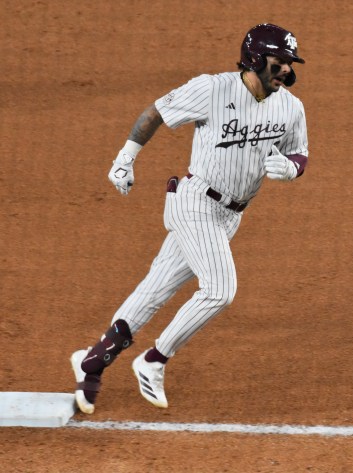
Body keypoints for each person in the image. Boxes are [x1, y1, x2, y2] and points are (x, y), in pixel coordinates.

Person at [70, 23, 309, 414]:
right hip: (194, 202)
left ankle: (92, 361)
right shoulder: (213, 89)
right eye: (279, 61)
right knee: (220, 289)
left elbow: (300, 153)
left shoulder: (291, 107)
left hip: (230, 217)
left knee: (156, 288)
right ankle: (154, 360)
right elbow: (157, 113)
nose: (286, 69)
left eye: (289, 62)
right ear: (254, 59)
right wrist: (125, 159)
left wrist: (291, 167)